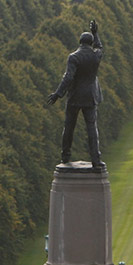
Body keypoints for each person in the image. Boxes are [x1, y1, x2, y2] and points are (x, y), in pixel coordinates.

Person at [47, 20, 105, 170]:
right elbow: (99, 47)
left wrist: (58, 94)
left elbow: (68, 77)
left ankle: (65, 156)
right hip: (91, 96)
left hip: (75, 96)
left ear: (80, 42)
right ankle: (96, 159)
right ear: (90, 43)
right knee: (92, 128)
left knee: (69, 127)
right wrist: (95, 33)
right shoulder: (95, 56)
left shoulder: (74, 57)